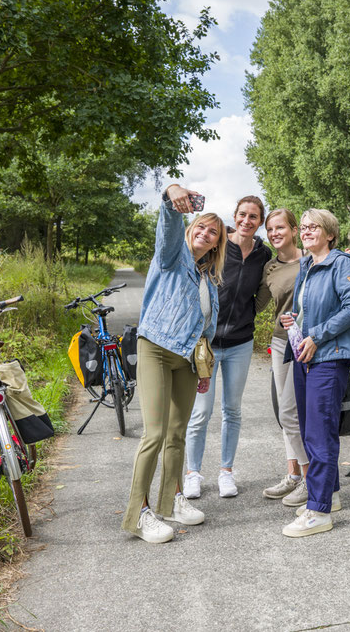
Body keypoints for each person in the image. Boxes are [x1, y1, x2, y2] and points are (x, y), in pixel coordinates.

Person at [122, 184, 225, 544]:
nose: (205, 233)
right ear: (190, 229)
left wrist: (204, 370)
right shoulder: (171, 254)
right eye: (201, 227)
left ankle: (170, 501)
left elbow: (206, 330)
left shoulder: (208, 280)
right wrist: (171, 196)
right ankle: (138, 514)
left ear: (216, 244)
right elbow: (167, 223)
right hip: (155, 348)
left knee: (177, 433)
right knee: (154, 434)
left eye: (213, 232)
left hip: (187, 359)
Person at [280, 208, 350, 538]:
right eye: (303, 228)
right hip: (305, 355)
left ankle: (318, 512)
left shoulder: (341, 262)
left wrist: (317, 336)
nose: (306, 232)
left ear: (330, 233)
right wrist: (295, 319)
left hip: (329, 356)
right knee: (309, 429)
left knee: (319, 433)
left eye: (314, 227)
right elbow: (309, 308)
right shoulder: (307, 265)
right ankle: (331, 494)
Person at [182, 196, 272, 499]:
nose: (247, 221)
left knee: (232, 410)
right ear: (235, 216)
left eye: (254, 217)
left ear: (260, 221)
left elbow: (279, 276)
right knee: (201, 412)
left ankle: (226, 472)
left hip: (240, 344)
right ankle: (193, 472)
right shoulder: (219, 246)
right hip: (206, 344)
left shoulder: (263, 254)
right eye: (243, 215)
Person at [255, 208, 310, 506]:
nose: (275, 233)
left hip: (313, 342)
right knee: (286, 413)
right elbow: (256, 304)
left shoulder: (312, 257)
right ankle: (294, 476)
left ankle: (310, 477)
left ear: (293, 229)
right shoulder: (270, 268)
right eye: (270, 229)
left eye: (280, 227)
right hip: (281, 343)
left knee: (292, 412)